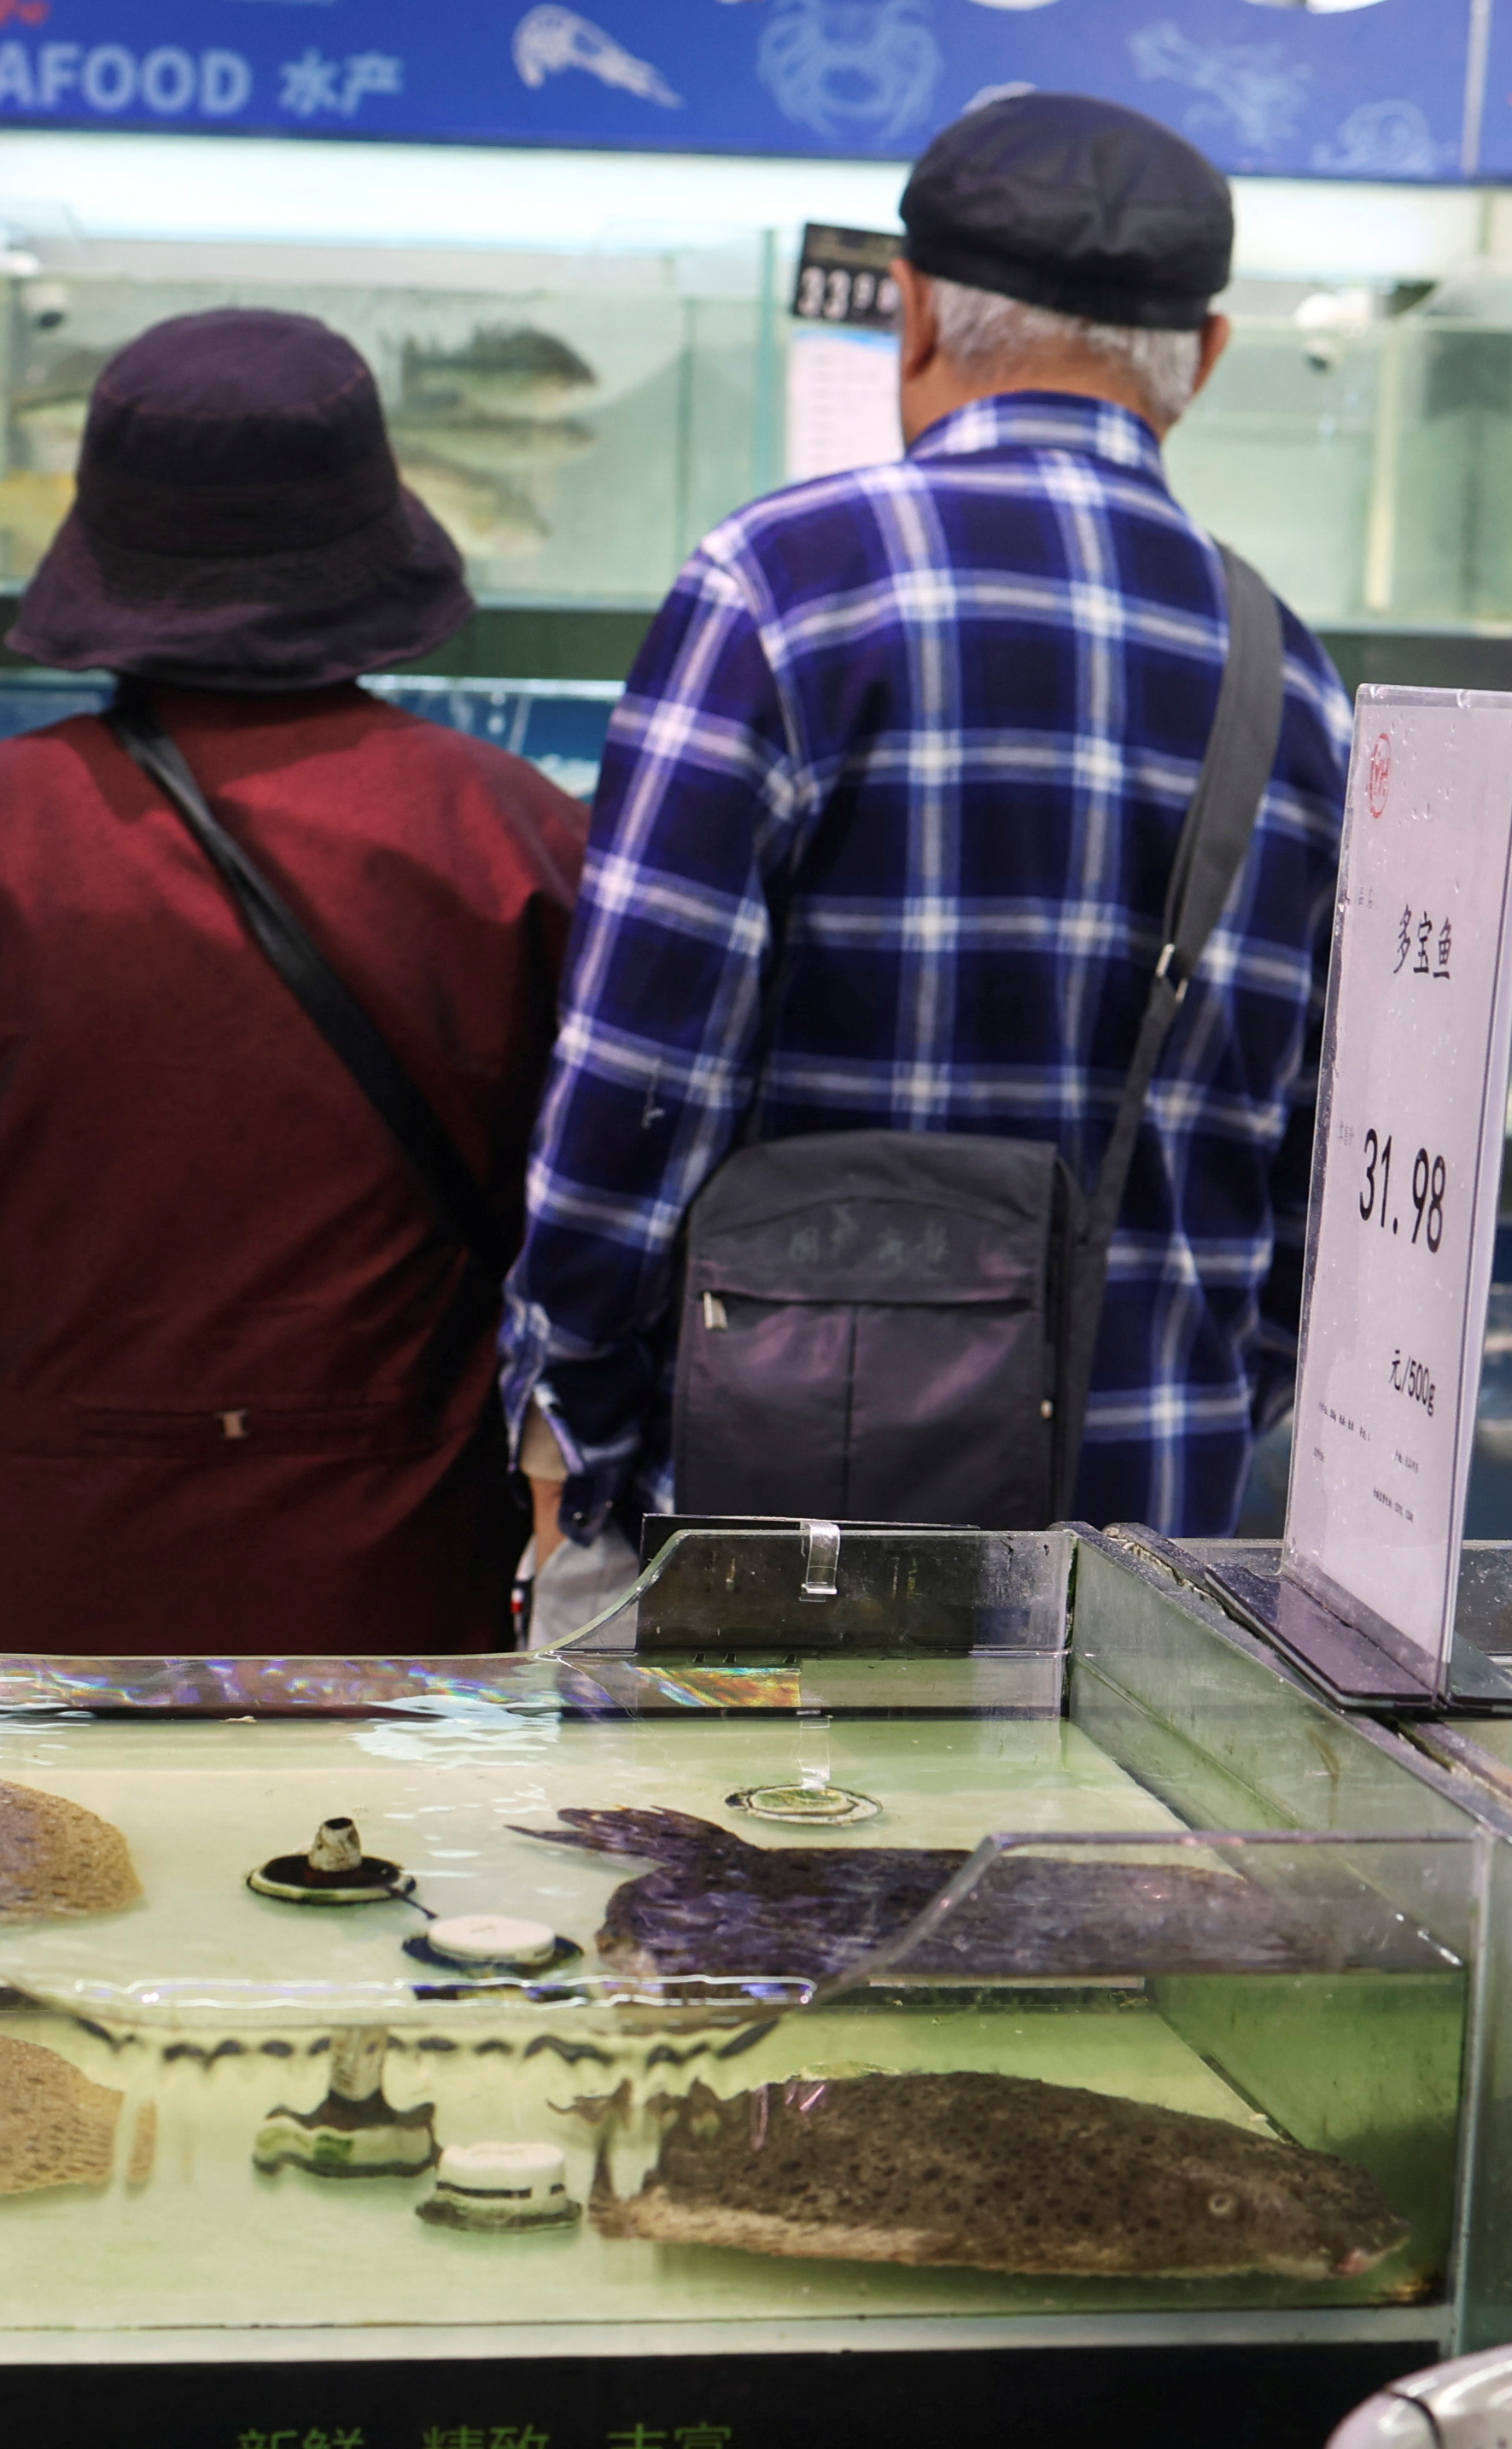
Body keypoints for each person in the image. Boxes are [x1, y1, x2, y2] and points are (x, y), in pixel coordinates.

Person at [501, 92, 1351, 1579]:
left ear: (910, 314)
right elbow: (1323, 1174)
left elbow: (639, 1084)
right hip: (1145, 1545)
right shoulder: (1296, 680)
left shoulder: (778, 587)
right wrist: (1196, 1407)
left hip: (778, 1517)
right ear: (1203, 359)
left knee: (742, 1826)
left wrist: (579, 1413)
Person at [0, 308, 582, 1652]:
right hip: (392, 1580)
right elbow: (583, 1256)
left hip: (38, 1580)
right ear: (370, 538)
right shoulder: (513, 839)